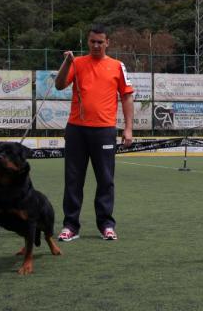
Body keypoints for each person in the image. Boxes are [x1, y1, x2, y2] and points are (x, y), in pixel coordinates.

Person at [54, 24, 134, 242]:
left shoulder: (118, 66)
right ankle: (70, 226)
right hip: (77, 129)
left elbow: (127, 97)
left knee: (105, 180)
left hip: (105, 131)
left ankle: (106, 225)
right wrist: (66, 62)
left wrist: (128, 128)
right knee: (73, 179)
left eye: (100, 42)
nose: (96, 45)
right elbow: (59, 84)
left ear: (107, 43)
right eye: (92, 41)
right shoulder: (77, 63)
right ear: (87, 42)